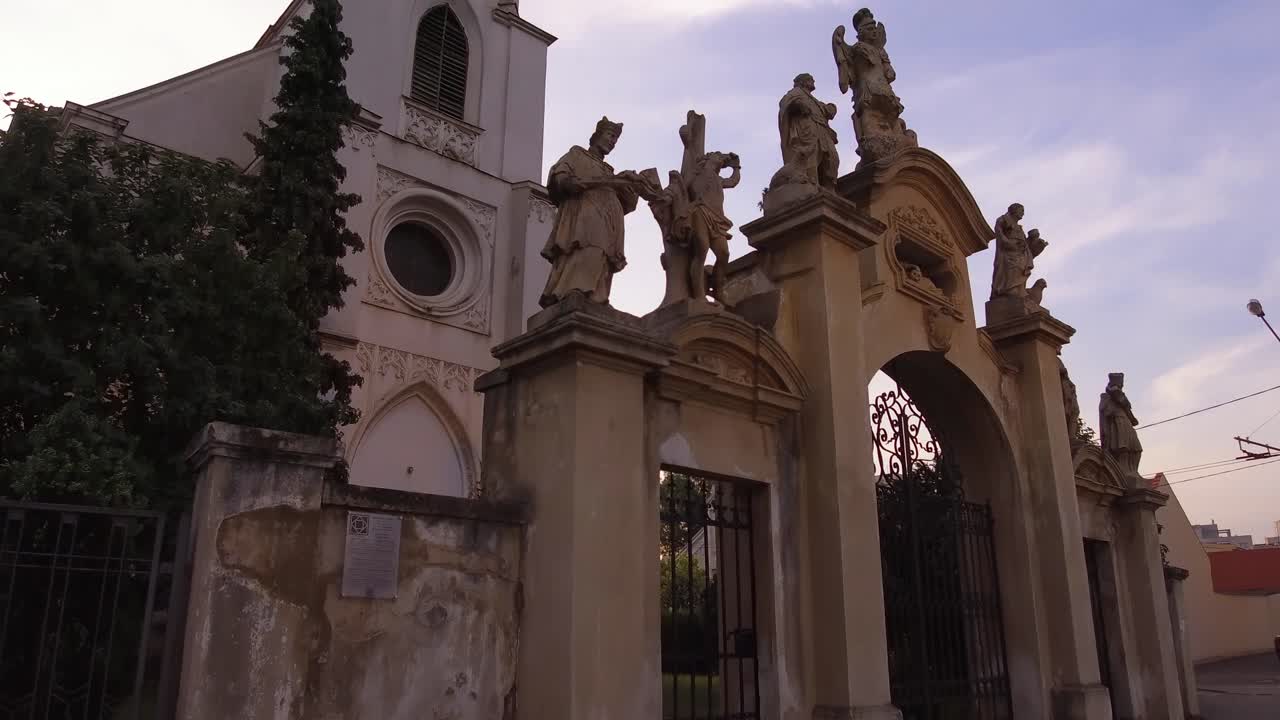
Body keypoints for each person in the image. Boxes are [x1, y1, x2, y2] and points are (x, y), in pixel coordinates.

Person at [540, 117, 653, 307]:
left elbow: (627, 204)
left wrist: (632, 185)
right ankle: (574, 289)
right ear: (597, 136)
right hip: (586, 214)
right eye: (610, 135)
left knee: (603, 256)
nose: (612, 141)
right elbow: (561, 178)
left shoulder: (609, 171)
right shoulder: (577, 154)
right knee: (588, 246)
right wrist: (570, 181)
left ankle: (597, 296)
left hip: (609, 221)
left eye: (615, 140)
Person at [683, 151, 741, 303]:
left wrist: (736, 166)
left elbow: (733, 181)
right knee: (702, 248)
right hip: (700, 211)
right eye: (718, 155)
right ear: (708, 158)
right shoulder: (696, 174)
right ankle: (699, 294)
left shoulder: (719, 179)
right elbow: (683, 188)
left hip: (717, 218)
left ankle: (718, 290)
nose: (721, 158)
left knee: (723, 254)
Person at [778, 73, 840, 189]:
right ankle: (812, 186)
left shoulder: (813, 100)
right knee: (810, 158)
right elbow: (785, 103)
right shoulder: (796, 93)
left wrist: (831, 107)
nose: (813, 81)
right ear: (802, 82)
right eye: (810, 79)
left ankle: (830, 188)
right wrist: (798, 105)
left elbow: (828, 111)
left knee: (832, 158)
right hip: (807, 130)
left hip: (822, 131)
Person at [1100, 373, 1143, 474]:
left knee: (1137, 449)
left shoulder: (1120, 396)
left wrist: (1132, 418)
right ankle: (1123, 472)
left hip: (1126, 422)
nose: (1121, 385)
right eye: (1120, 382)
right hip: (1118, 423)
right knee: (1123, 448)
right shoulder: (1107, 396)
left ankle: (1133, 472)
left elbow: (1127, 408)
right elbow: (1105, 410)